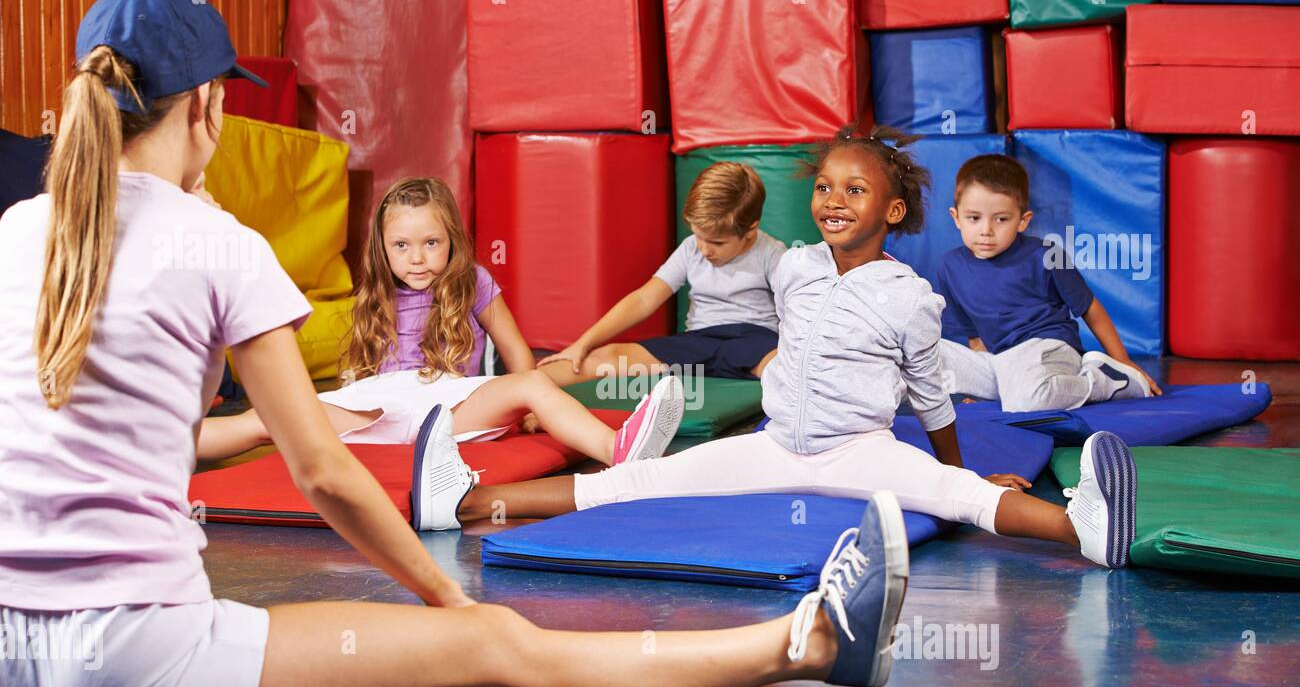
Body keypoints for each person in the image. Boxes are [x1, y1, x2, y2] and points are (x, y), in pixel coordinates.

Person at [0, 0, 908, 687]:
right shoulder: (218, 241)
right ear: (207, 105)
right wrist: (449, 599)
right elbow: (323, 471)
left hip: (9, 660)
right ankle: (813, 640)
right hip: (137, 660)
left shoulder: (16, 231)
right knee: (495, 644)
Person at [421, 124, 1139, 571]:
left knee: (959, 498)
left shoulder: (908, 294)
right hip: (773, 444)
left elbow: (929, 394)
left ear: (892, 212)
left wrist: (973, 474)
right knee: (629, 483)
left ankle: (1083, 526)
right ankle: (465, 502)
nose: (832, 199)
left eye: (854, 190)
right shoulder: (795, 267)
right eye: (825, 186)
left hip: (859, 447)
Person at [197, 176, 685, 481]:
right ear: (383, 249)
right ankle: (155, 447)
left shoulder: (474, 280)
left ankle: (616, 450)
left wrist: (527, 409)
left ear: (451, 239)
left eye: (431, 243)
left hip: (452, 407)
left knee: (534, 382)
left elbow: (516, 353)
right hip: (380, 408)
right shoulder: (378, 291)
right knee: (267, 418)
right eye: (402, 246)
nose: (417, 258)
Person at [936, 153, 1161, 412]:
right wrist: (979, 384)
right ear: (956, 217)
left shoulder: (1048, 255)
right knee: (929, 355)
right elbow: (975, 339)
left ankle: (1103, 381)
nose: (986, 230)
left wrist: (1123, 361)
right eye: (974, 218)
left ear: (1023, 221)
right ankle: (1008, 389)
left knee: (1023, 401)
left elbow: (1090, 309)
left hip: (1049, 348)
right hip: (1002, 361)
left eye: (1001, 219)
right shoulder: (948, 267)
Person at [538, 162, 784, 386]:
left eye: (717, 243)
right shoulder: (690, 248)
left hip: (753, 340)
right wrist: (582, 344)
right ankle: (525, 391)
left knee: (782, 366)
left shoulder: (773, 254)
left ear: (751, 230)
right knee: (606, 356)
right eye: (699, 236)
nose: (705, 249)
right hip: (698, 342)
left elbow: (796, 314)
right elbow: (645, 299)